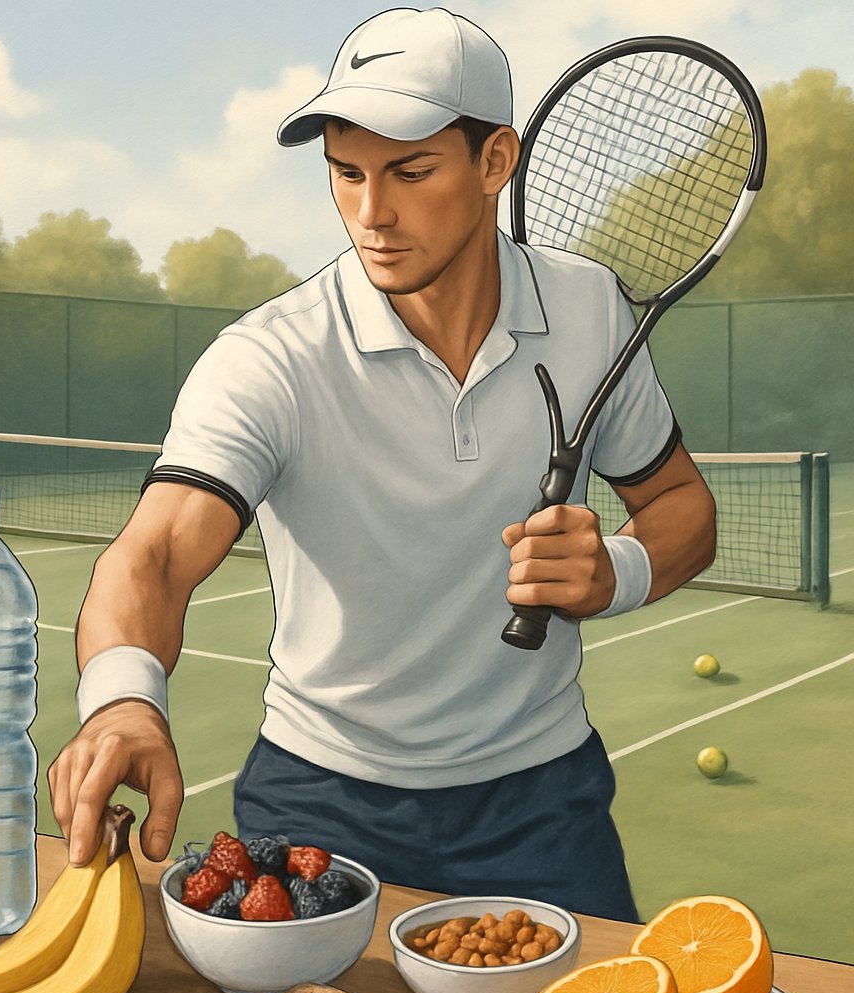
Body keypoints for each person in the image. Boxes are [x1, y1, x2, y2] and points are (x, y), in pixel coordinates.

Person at [48, 8, 715, 922]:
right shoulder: (269, 356)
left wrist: (619, 570)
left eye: (410, 172)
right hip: (319, 801)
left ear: (495, 162)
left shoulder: (591, 309)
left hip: (542, 800)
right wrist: (124, 702)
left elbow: (681, 504)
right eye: (346, 172)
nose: (373, 213)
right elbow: (156, 552)